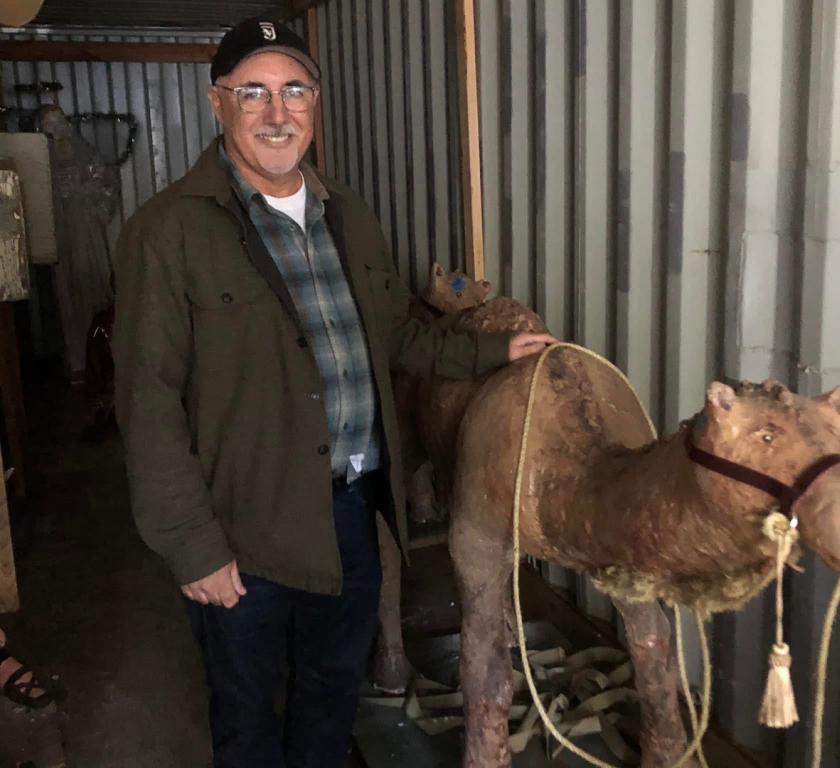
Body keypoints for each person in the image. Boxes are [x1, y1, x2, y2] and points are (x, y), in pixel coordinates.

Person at [112, 18, 554, 768]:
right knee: (248, 709)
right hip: (243, 527)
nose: (276, 114)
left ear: (315, 107)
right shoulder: (169, 232)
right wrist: (192, 548)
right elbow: (148, 403)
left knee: (330, 690)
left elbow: (396, 337)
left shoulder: (349, 215)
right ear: (217, 102)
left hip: (351, 514)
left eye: (294, 92)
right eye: (253, 93)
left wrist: (492, 349)